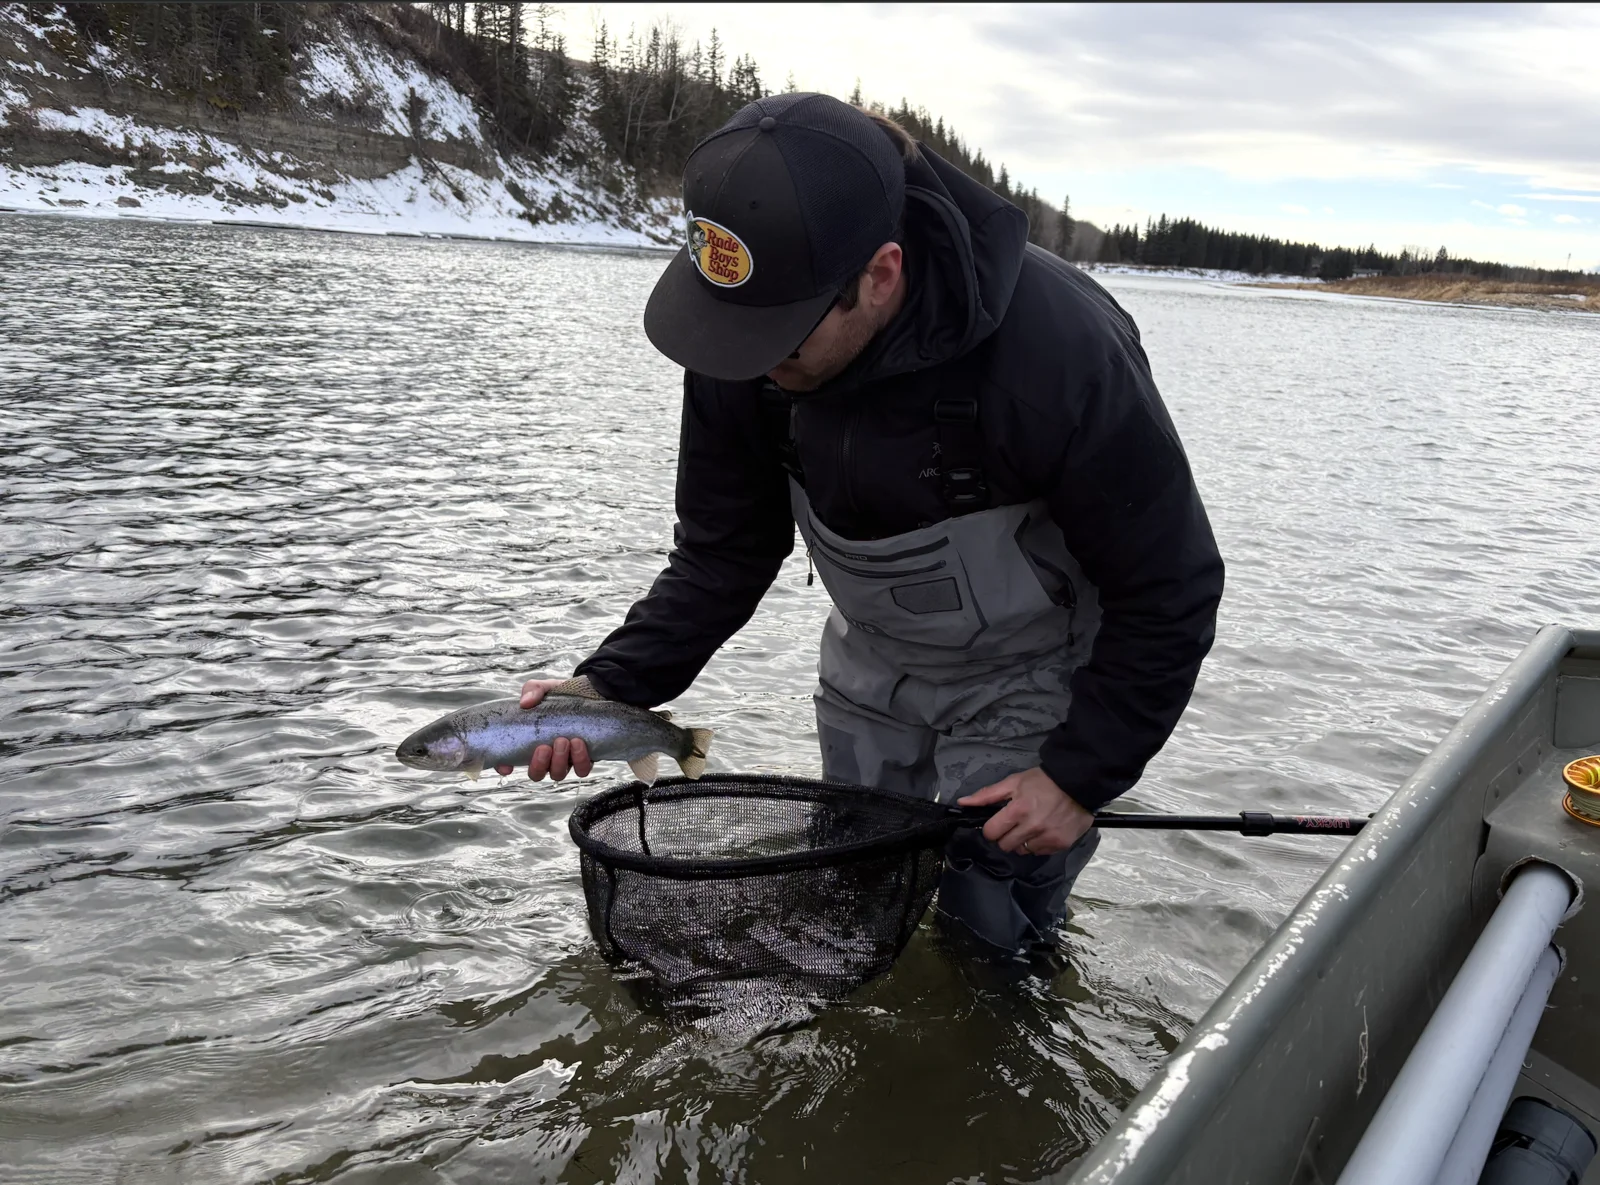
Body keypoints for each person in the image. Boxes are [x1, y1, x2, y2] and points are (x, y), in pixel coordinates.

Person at [500, 93, 1224, 959]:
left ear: (880, 275)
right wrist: (614, 684)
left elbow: (1170, 588)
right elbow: (723, 552)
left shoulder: (1061, 352)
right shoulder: (741, 330)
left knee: (986, 920)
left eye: (784, 342)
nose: (755, 365)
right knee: (848, 887)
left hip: (1031, 670)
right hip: (872, 661)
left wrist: (1079, 776)